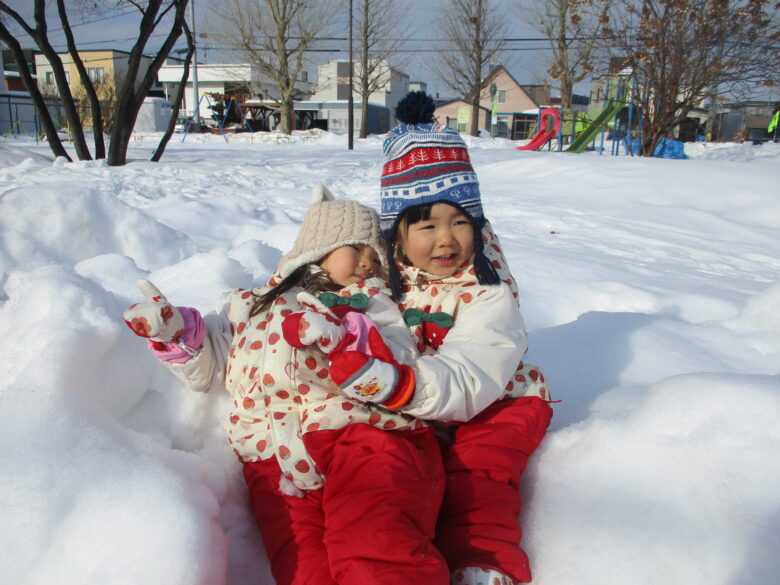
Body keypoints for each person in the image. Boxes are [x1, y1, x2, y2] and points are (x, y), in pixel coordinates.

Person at [123, 185, 450, 585]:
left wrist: (344, 336)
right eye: (357, 249)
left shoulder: (374, 303)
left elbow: (400, 359)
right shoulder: (249, 304)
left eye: (376, 257)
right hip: (271, 455)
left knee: (376, 541)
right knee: (302, 565)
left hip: (364, 437)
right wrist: (177, 332)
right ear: (318, 248)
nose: (368, 263)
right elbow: (211, 368)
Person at [319, 92, 553, 585]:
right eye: (427, 225)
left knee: (476, 474)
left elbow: (473, 374)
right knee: (386, 473)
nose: (446, 239)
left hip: (493, 402)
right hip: (407, 400)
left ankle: (481, 564)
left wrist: (400, 386)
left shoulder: (488, 294)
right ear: (396, 236)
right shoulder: (384, 281)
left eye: (460, 222)